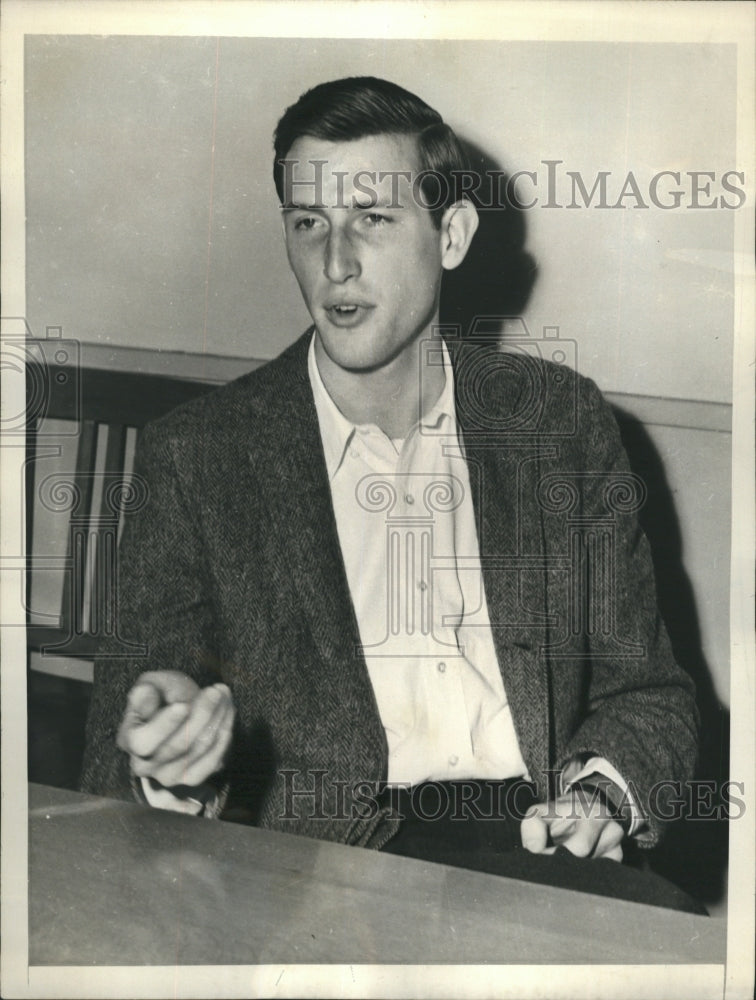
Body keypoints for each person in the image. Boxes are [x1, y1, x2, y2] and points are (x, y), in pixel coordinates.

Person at [80, 76, 701, 910]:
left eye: (372, 217)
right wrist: (173, 768)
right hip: (306, 879)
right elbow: (115, 765)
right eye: (309, 224)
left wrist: (599, 798)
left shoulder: (561, 425)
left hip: (533, 850)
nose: (335, 262)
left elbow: (648, 694)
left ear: (452, 234)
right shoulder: (198, 458)